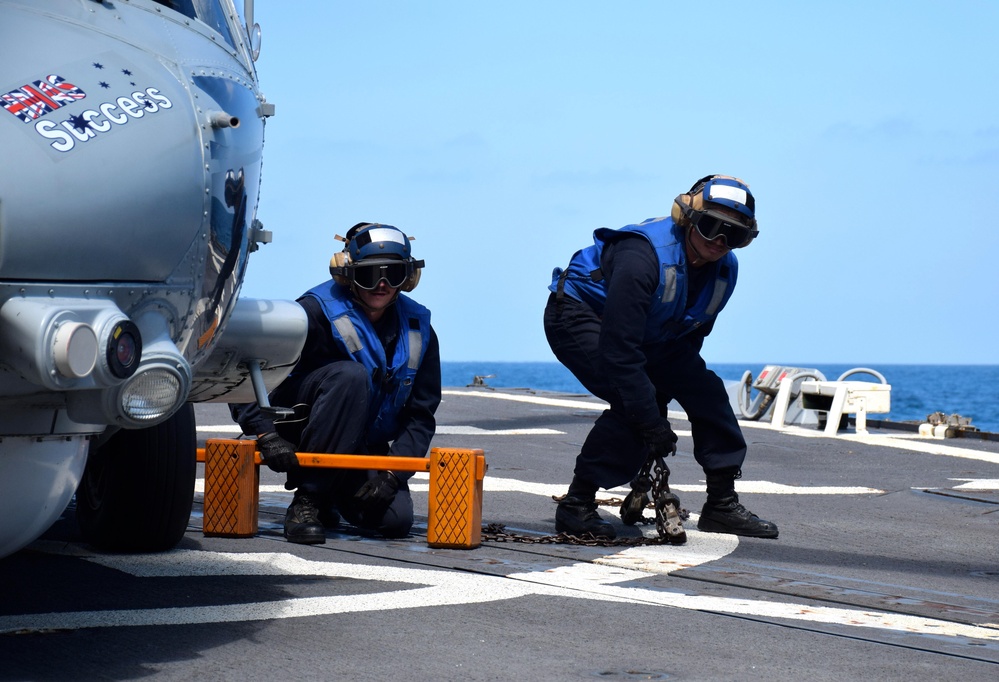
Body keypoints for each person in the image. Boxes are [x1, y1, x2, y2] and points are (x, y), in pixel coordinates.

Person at [544, 174, 779, 540]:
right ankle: (577, 504)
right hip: (580, 315)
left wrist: (669, 389)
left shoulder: (724, 272)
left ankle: (720, 504)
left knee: (707, 392)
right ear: (686, 217)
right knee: (634, 402)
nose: (719, 242)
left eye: (732, 235)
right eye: (710, 226)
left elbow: (690, 339)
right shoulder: (642, 257)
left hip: (651, 334)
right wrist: (651, 421)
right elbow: (620, 352)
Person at [230, 223, 441, 544]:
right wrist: (264, 433)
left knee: (394, 521)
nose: (382, 284)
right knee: (350, 377)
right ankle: (308, 501)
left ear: (409, 278)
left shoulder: (418, 330)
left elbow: (421, 416)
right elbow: (241, 370)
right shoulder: (313, 313)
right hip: (298, 432)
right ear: (347, 275)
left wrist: (391, 476)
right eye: (370, 275)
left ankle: (330, 491)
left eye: (394, 274)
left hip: (362, 445)